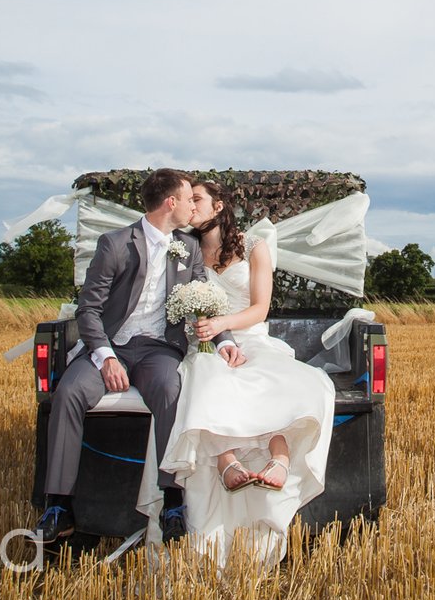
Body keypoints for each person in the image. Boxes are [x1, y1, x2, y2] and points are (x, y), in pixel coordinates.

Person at [34, 168, 246, 546]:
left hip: (157, 349)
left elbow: (203, 297)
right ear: (171, 203)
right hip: (110, 346)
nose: (190, 205)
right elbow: (89, 310)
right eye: (186, 198)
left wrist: (225, 337)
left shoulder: (188, 247)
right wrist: (105, 357)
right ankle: (58, 504)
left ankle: (172, 500)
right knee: (68, 392)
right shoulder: (115, 244)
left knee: (170, 389)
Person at [157, 178, 336, 569]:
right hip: (206, 342)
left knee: (277, 380)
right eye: (187, 200)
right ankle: (228, 463)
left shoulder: (254, 247)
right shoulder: (181, 250)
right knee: (206, 374)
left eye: (197, 199)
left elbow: (260, 309)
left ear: (218, 207)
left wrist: (223, 322)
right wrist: (206, 330)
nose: (190, 206)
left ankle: (280, 461)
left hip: (251, 337)